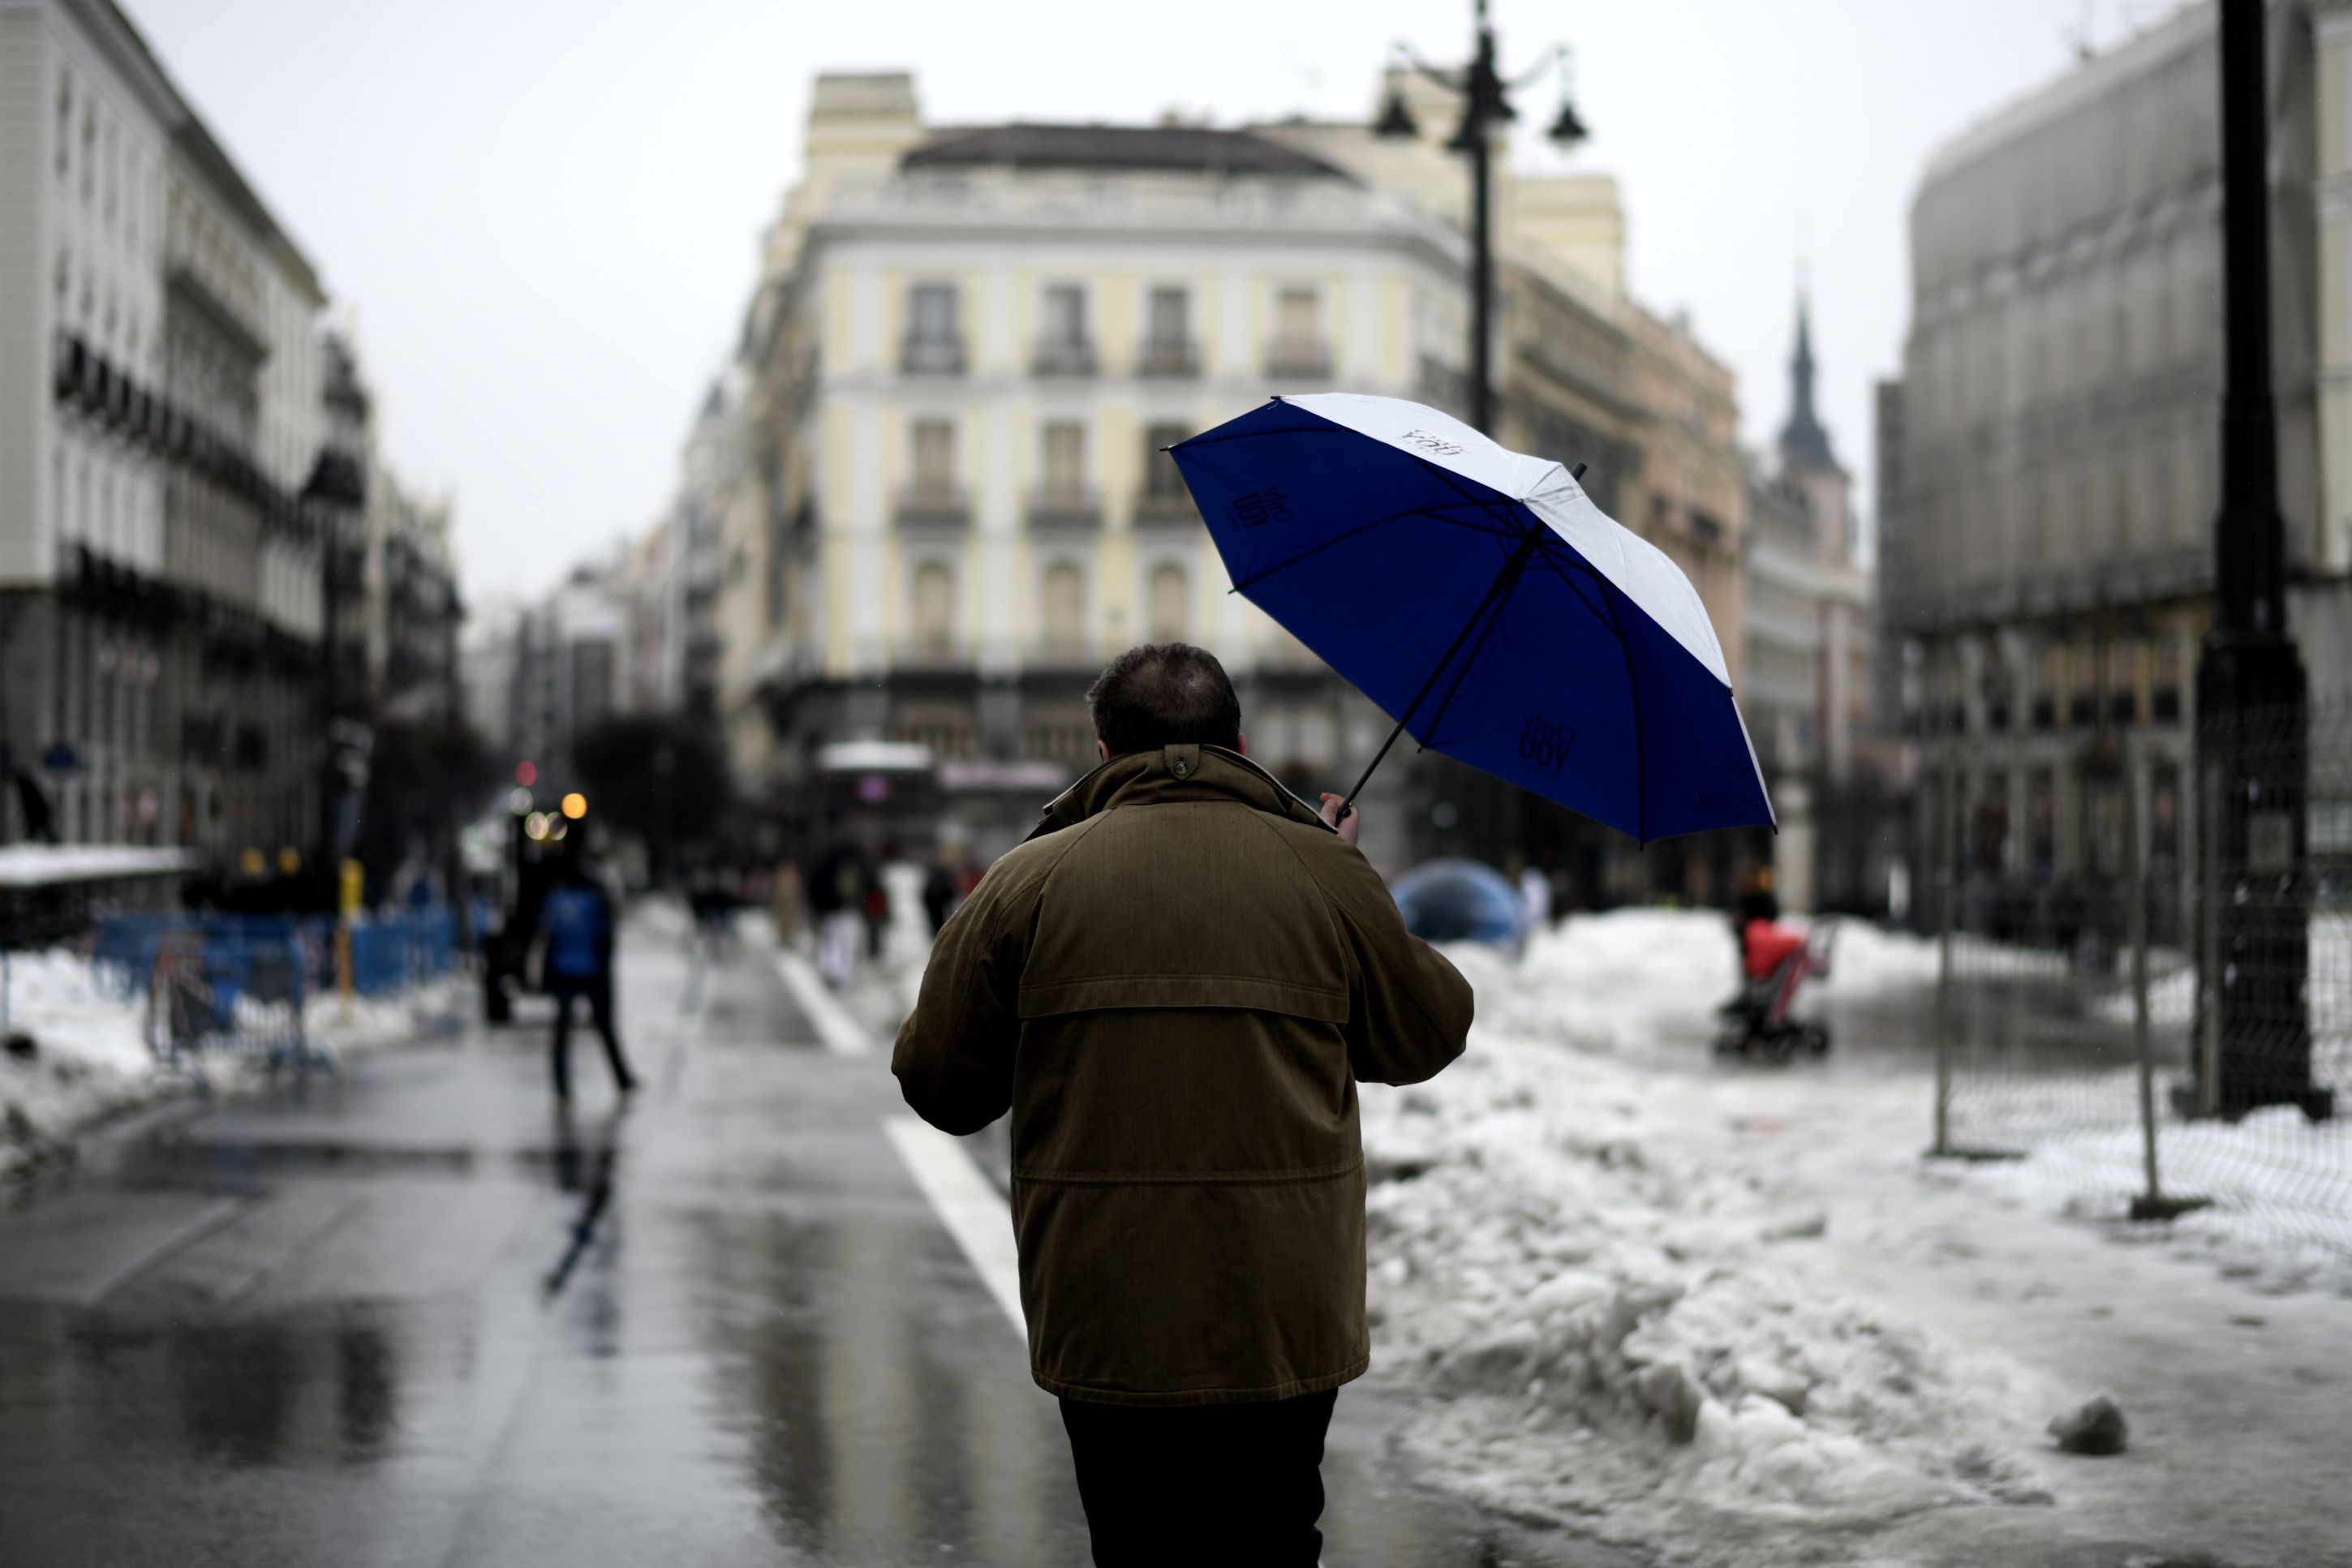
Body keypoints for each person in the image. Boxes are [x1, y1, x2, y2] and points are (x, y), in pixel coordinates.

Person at [892, 642, 1474, 1565]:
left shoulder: (1025, 881)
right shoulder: (1323, 872)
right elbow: (1425, 1033)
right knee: (1276, 1540)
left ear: (1101, 753)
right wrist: (1345, 878)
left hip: (1107, 1304)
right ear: (1238, 743)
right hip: (1282, 1306)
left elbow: (939, 1084)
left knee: (1136, 1544)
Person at [538, 844, 639, 1104]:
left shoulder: (557, 898)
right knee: (604, 1027)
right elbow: (605, 937)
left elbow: (547, 935)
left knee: (562, 1032)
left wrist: (547, 975)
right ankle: (622, 1078)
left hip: (564, 970)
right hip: (591, 970)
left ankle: (562, 1088)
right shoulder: (594, 897)